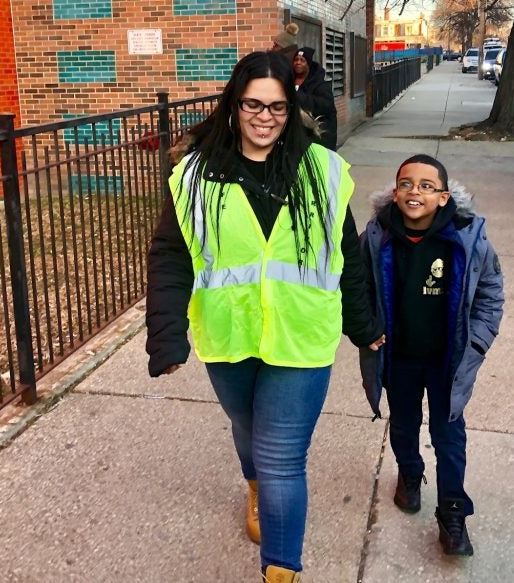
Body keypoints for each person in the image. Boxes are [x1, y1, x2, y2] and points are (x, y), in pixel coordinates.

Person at [145, 50, 383, 583]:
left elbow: (345, 254)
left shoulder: (321, 170)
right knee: (247, 429)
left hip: (301, 339)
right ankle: (252, 486)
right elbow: (172, 253)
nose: (264, 117)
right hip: (228, 335)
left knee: (281, 459)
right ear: (234, 104)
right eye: (253, 104)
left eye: (277, 107)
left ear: (290, 108)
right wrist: (166, 334)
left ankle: (281, 571)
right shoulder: (195, 175)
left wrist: (365, 327)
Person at [359, 154, 504, 556]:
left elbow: (491, 293)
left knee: (449, 436)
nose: (414, 191)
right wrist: (366, 330)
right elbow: (358, 289)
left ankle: (453, 511)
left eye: (426, 186)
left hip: (448, 361)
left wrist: (476, 343)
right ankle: (409, 475)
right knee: (403, 425)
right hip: (400, 357)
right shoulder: (377, 235)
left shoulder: (467, 237)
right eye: (406, 183)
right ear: (394, 192)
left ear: (443, 197)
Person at [292, 47, 338, 151]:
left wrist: (299, 95)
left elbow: (326, 106)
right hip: (298, 136)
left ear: (308, 64)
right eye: (296, 60)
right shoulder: (290, 79)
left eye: (302, 60)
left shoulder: (320, 84)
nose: (298, 62)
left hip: (319, 136)